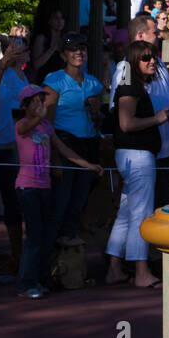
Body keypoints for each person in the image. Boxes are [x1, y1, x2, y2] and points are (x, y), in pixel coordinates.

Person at [14, 86, 102, 299]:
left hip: (45, 187)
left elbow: (65, 150)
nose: (40, 105)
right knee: (34, 237)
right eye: (34, 101)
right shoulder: (22, 124)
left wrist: (89, 165)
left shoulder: (46, 127)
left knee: (44, 236)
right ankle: (25, 284)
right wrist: (39, 117)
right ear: (25, 105)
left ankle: (40, 279)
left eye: (42, 101)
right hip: (28, 187)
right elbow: (24, 130)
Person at [110, 14, 169, 210]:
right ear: (140, 35)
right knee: (145, 211)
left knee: (166, 204)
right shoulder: (126, 69)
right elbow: (121, 113)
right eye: (154, 32)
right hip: (148, 151)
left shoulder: (156, 62)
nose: (159, 36)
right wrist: (155, 120)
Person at [105, 41, 168, 288]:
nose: (152, 61)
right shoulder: (130, 86)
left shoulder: (133, 85)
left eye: (153, 56)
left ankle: (114, 267)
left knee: (126, 213)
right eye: (145, 58)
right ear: (134, 61)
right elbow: (126, 124)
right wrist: (157, 118)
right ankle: (141, 272)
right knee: (141, 213)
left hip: (132, 156)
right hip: (137, 156)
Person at [43, 32, 103, 247]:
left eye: (82, 48)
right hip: (64, 143)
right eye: (73, 49)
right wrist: (55, 158)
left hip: (88, 143)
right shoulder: (54, 80)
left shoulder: (94, 83)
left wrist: (96, 112)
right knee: (60, 204)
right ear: (63, 54)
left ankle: (67, 263)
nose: (79, 52)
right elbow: (46, 122)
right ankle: (47, 261)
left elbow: (98, 121)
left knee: (78, 202)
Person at [0, 26, 31, 272]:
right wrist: (3, 63)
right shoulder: (0, 73)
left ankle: (18, 258)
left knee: (13, 203)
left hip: (7, 148)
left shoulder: (4, 74)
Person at [29, 0, 66, 82]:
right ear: (49, 20)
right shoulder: (42, 38)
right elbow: (36, 64)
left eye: (62, 18)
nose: (60, 21)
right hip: (44, 82)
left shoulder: (64, 38)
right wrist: (53, 49)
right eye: (56, 18)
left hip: (62, 82)